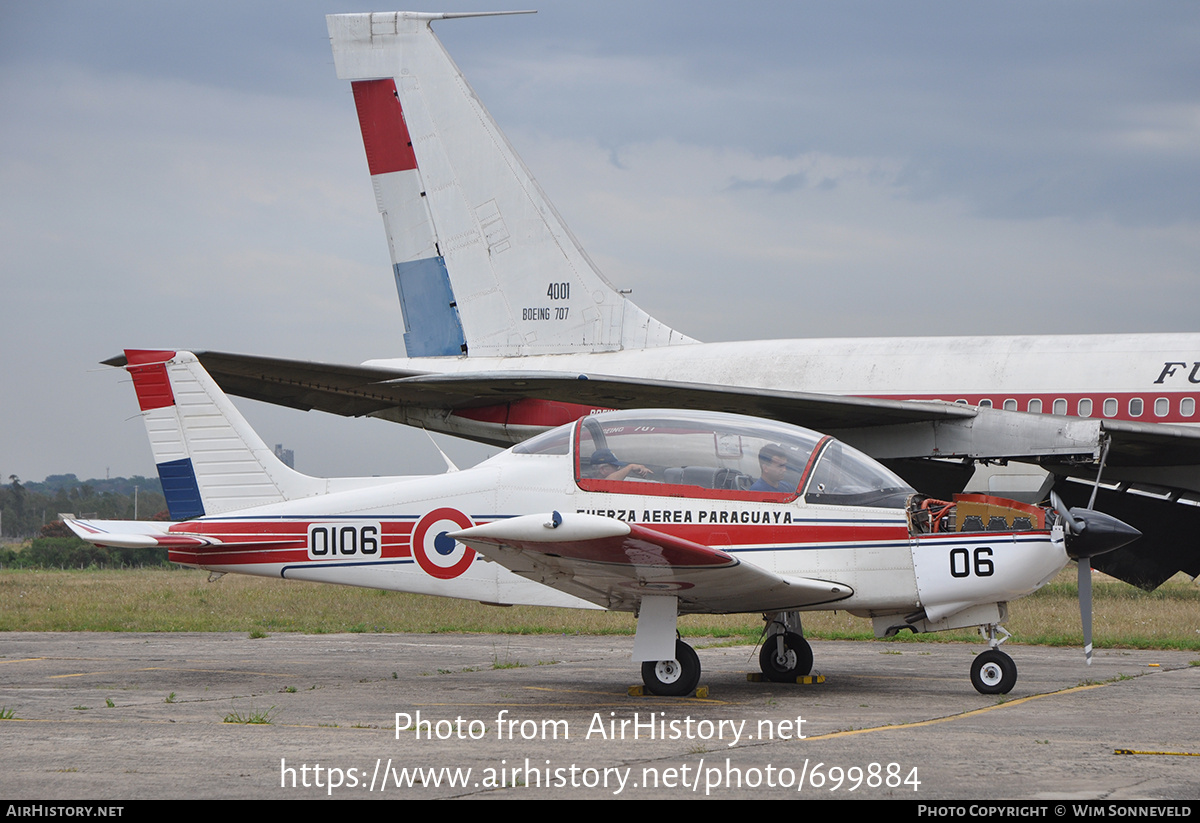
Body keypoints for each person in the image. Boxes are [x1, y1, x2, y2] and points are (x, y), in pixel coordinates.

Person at [587, 448, 653, 481]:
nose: (619, 469)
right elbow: (608, 482)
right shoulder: (590, 484)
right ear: (603, 470)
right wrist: (630, 467)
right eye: (616, 467)